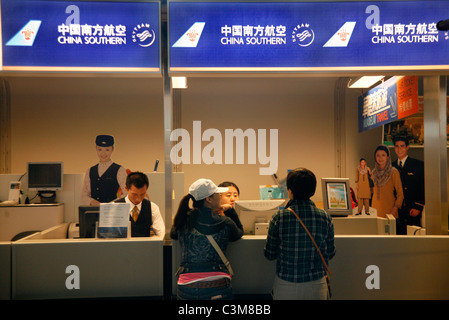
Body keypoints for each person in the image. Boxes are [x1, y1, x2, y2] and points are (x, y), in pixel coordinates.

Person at [264, 168, 335, 300]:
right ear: (312, 190)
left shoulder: (279, 217)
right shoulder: (325, 217)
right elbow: (330, 252)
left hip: (286, 284)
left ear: (290, 191)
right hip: (317, 284)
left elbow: (269, 254)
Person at [170, 178, 243, 300]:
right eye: (218, 195)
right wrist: (230, 211)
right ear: (208, 199)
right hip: (217, 286)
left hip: (186, 286)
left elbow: (173, 234)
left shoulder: (183, 220)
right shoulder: (225, 222)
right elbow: (239, 233)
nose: (220, 197)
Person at [115, 171, 165, 237]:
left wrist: (157, 237)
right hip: (121, 247)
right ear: (126, 188)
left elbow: (161, 232)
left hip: (145, 247)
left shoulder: (152, 207)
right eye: (134, 194)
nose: (138, 199)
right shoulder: (114, 207)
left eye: (142, 194)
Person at [81, 135, 128, 205]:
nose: (103, 153)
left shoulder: (120, 170)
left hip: (113, 212)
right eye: (100, 149)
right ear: (96, 148)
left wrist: (110, 205)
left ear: (112, 149)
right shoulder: (90, 171)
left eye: (107, 150)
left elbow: (127, 193)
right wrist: (96, 204)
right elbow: (84, 195)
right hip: (94, 212)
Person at [392, 136, 425, 234]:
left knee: (413, 238)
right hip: (397, 210)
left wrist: (418, 206)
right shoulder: (391, 166)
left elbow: (422, 187)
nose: (399, 149)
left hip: (412, 209)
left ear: (407, 147)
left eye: (402, 146)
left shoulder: (418, 165)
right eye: (397, 146)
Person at [371, 145, 404, 219]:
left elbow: (400, 195)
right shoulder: (373, 173)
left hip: (390, 213)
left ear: (388, 157)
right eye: (378, 155)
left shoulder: (393, 172)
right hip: (375, 213)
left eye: (383, 155)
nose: (380, 158)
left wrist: (393, 212)